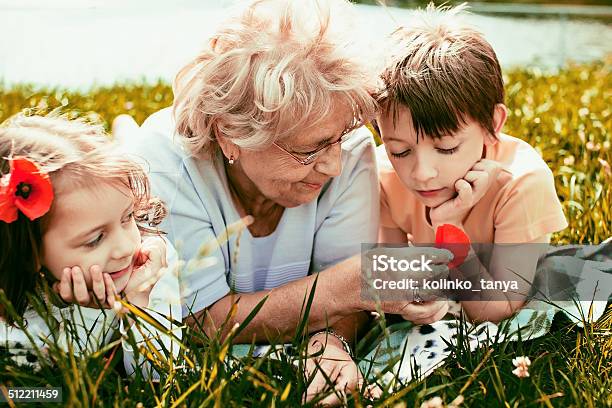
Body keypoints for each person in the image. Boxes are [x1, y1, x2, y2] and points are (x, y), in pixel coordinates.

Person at [115, 0, 452, 402]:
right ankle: (121, 134)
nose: (331, 165)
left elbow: (351, 309)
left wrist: (328, 343)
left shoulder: (349, 152)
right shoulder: (167, 165)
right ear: (229, 135)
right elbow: (195, 321)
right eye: (309, 150)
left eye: (339, 136)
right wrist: (352, 284)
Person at [375, 4, 568, 323]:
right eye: (400, 151)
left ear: (493, 124)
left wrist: (449, 227)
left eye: (447, 148)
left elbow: (492, 310)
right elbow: (393, 284)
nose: (422, 174)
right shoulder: (383, 173)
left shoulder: (522, 184)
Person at [0, 113, 182, 379]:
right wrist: (85, 315)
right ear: (29, 253)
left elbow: (160, 377)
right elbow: (42, 392)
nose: (125, 248)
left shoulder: (148, 260)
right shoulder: (12, 321)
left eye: (127, 216)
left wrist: (140, 305)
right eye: (95, 239)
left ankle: (126, 131)